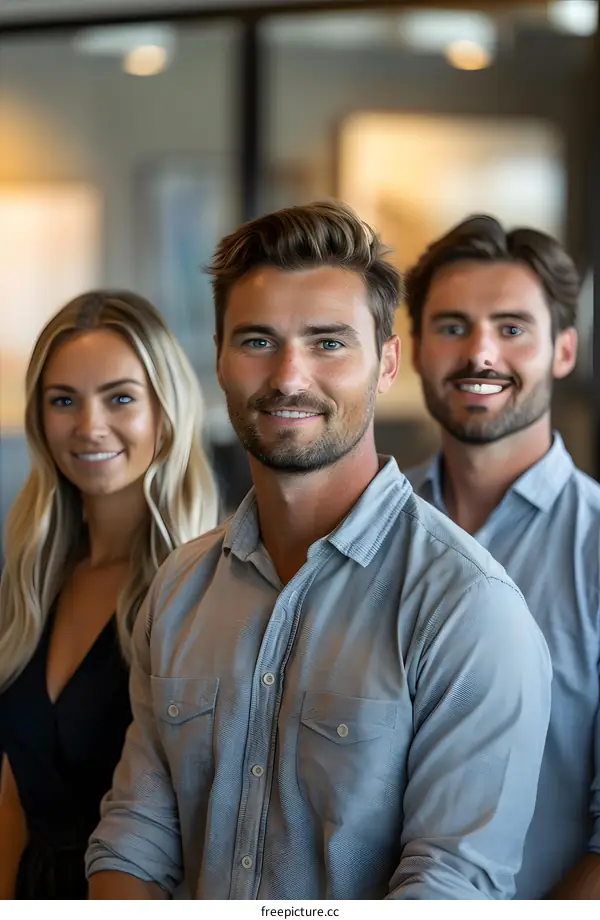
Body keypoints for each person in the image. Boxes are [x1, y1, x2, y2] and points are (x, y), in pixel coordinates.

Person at [86, 201, 552, 901]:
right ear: (218, 356)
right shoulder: (181, 586)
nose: (289, 376)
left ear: (387, 362)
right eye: (257, 341)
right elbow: (136, 836)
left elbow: (451, 889)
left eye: (329, 342)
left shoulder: (468, 608)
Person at [403, 215, 600, 899]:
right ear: (413, 349)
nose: (480, 353)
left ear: (564, 350)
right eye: (453, 326)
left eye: (512, 328)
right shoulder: (368, 536)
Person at [0, 291, 218, 899]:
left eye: (120, 397)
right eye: (63, 400)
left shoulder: (208, 587)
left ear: (165, 410)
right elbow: (16, 787)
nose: (89, 426)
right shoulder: (31, 579)